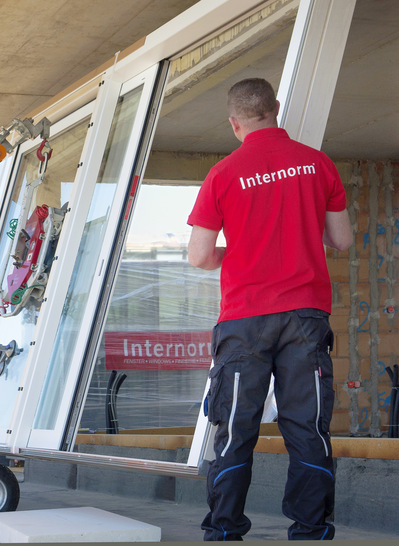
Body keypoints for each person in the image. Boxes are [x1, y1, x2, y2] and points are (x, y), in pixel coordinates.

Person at [186, 78, 353, 541]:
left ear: (234, 123)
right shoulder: (319, 165)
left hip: (244, 320)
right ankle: (310, 529)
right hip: (305, 316)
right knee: (307, 427)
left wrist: (237, 254)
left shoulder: (223, 173)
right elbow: (341, 240)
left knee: (235, 426)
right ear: (275, 108)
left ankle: (224, 529)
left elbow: (199, 256)